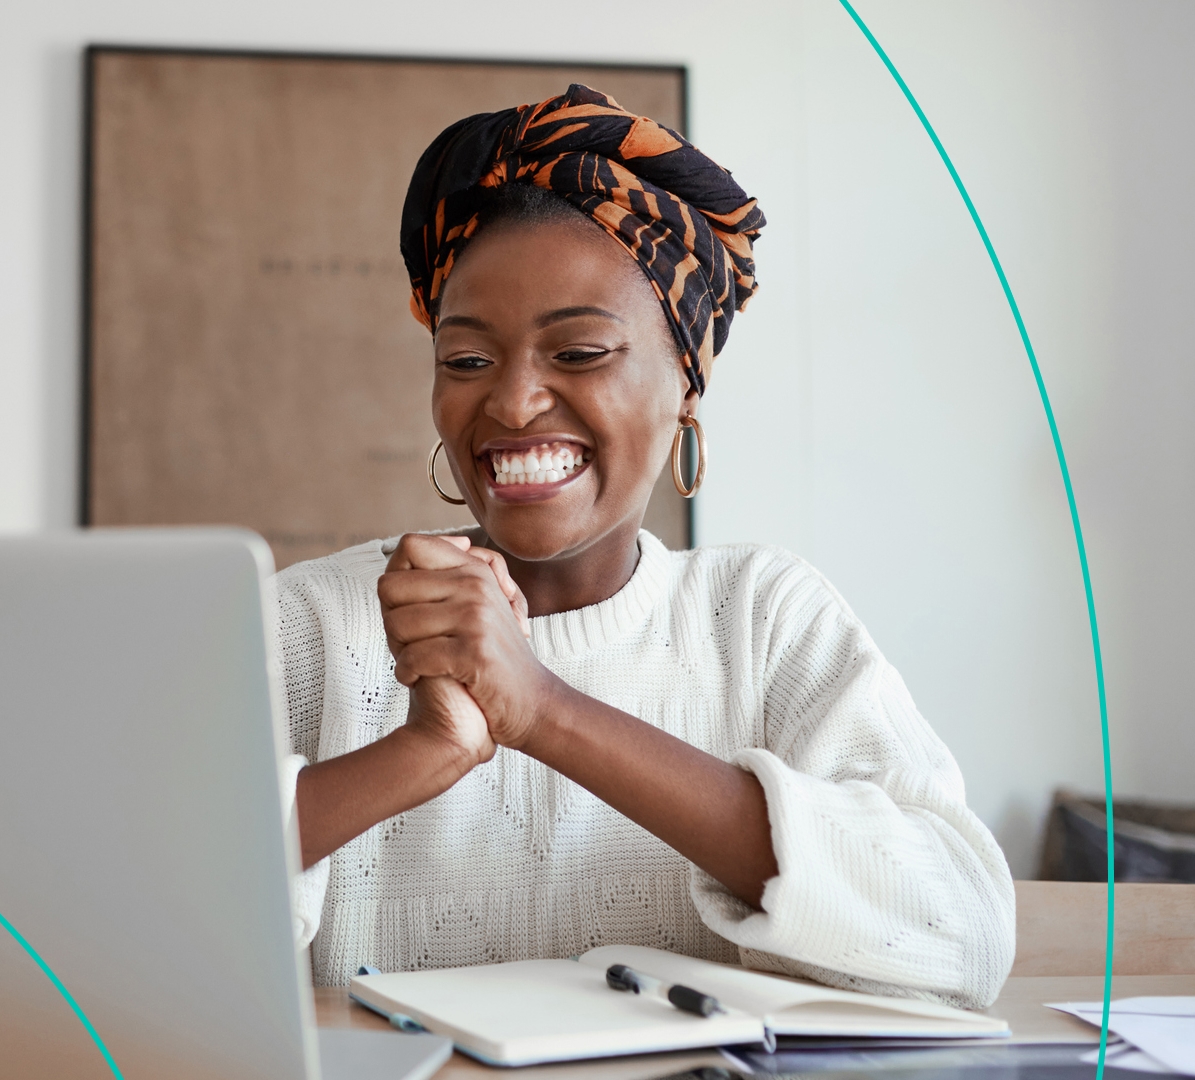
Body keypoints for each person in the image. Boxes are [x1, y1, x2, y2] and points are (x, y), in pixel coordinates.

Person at [276, 85, 1015, 1008]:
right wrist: (422, 752)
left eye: (579, 353)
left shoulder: (763, 618)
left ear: (685, 386)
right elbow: (121, 913)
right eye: (466, 360)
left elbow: (963, 937)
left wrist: (542, 708)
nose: (510, 403)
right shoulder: (309, 624)